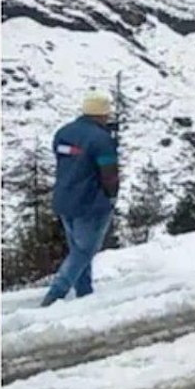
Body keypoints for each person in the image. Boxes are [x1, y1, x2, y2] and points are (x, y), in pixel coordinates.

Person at [42, 91, 120, 307]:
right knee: (84, 251)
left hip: (64, 200)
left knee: (78, 249)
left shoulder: (63, 133)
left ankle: (84, 293)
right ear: (103, 114)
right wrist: (111, 196)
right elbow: (109, 173)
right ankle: (55, 294)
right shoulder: (102, 140)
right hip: (91, 204)